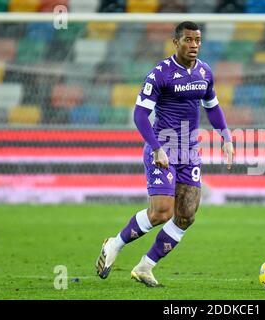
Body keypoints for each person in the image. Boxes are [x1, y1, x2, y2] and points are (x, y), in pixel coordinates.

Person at [95, 21, 234, 287]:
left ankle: (145, 267)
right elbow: (139, 115)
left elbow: (213, 106)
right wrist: (157, 147)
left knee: (186, 215)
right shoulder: (160, 73)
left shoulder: (205, 71)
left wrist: (226, 136)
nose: (194, 45)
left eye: (197, 40)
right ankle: (115, 244)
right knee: (161, 213)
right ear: (176, 42)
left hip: (189, 151)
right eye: (188, 40)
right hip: (163, 149)